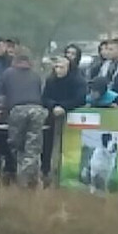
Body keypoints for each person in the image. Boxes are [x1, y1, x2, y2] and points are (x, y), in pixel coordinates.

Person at [0, 49, 48, 188]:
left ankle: (23, 181)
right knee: (33, 147)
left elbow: (2, 97)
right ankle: (33, 179)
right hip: (37, 109)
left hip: (18, 110)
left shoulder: (8, 73)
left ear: (15, 61)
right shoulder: (36, 75)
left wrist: (3, 113)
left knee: (17, 146)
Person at [41, 56, 87, 186]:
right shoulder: (51, 80)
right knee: (47, 145)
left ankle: (67, 174)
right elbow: (44, 97)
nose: (58, 70)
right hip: (52, 114)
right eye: (56, 67)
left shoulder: (78, 81)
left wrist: (64, 107)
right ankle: (45, 172)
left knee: (69, 145)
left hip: (72, 116)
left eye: (62, 67)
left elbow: (80, 99)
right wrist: (54, 106)